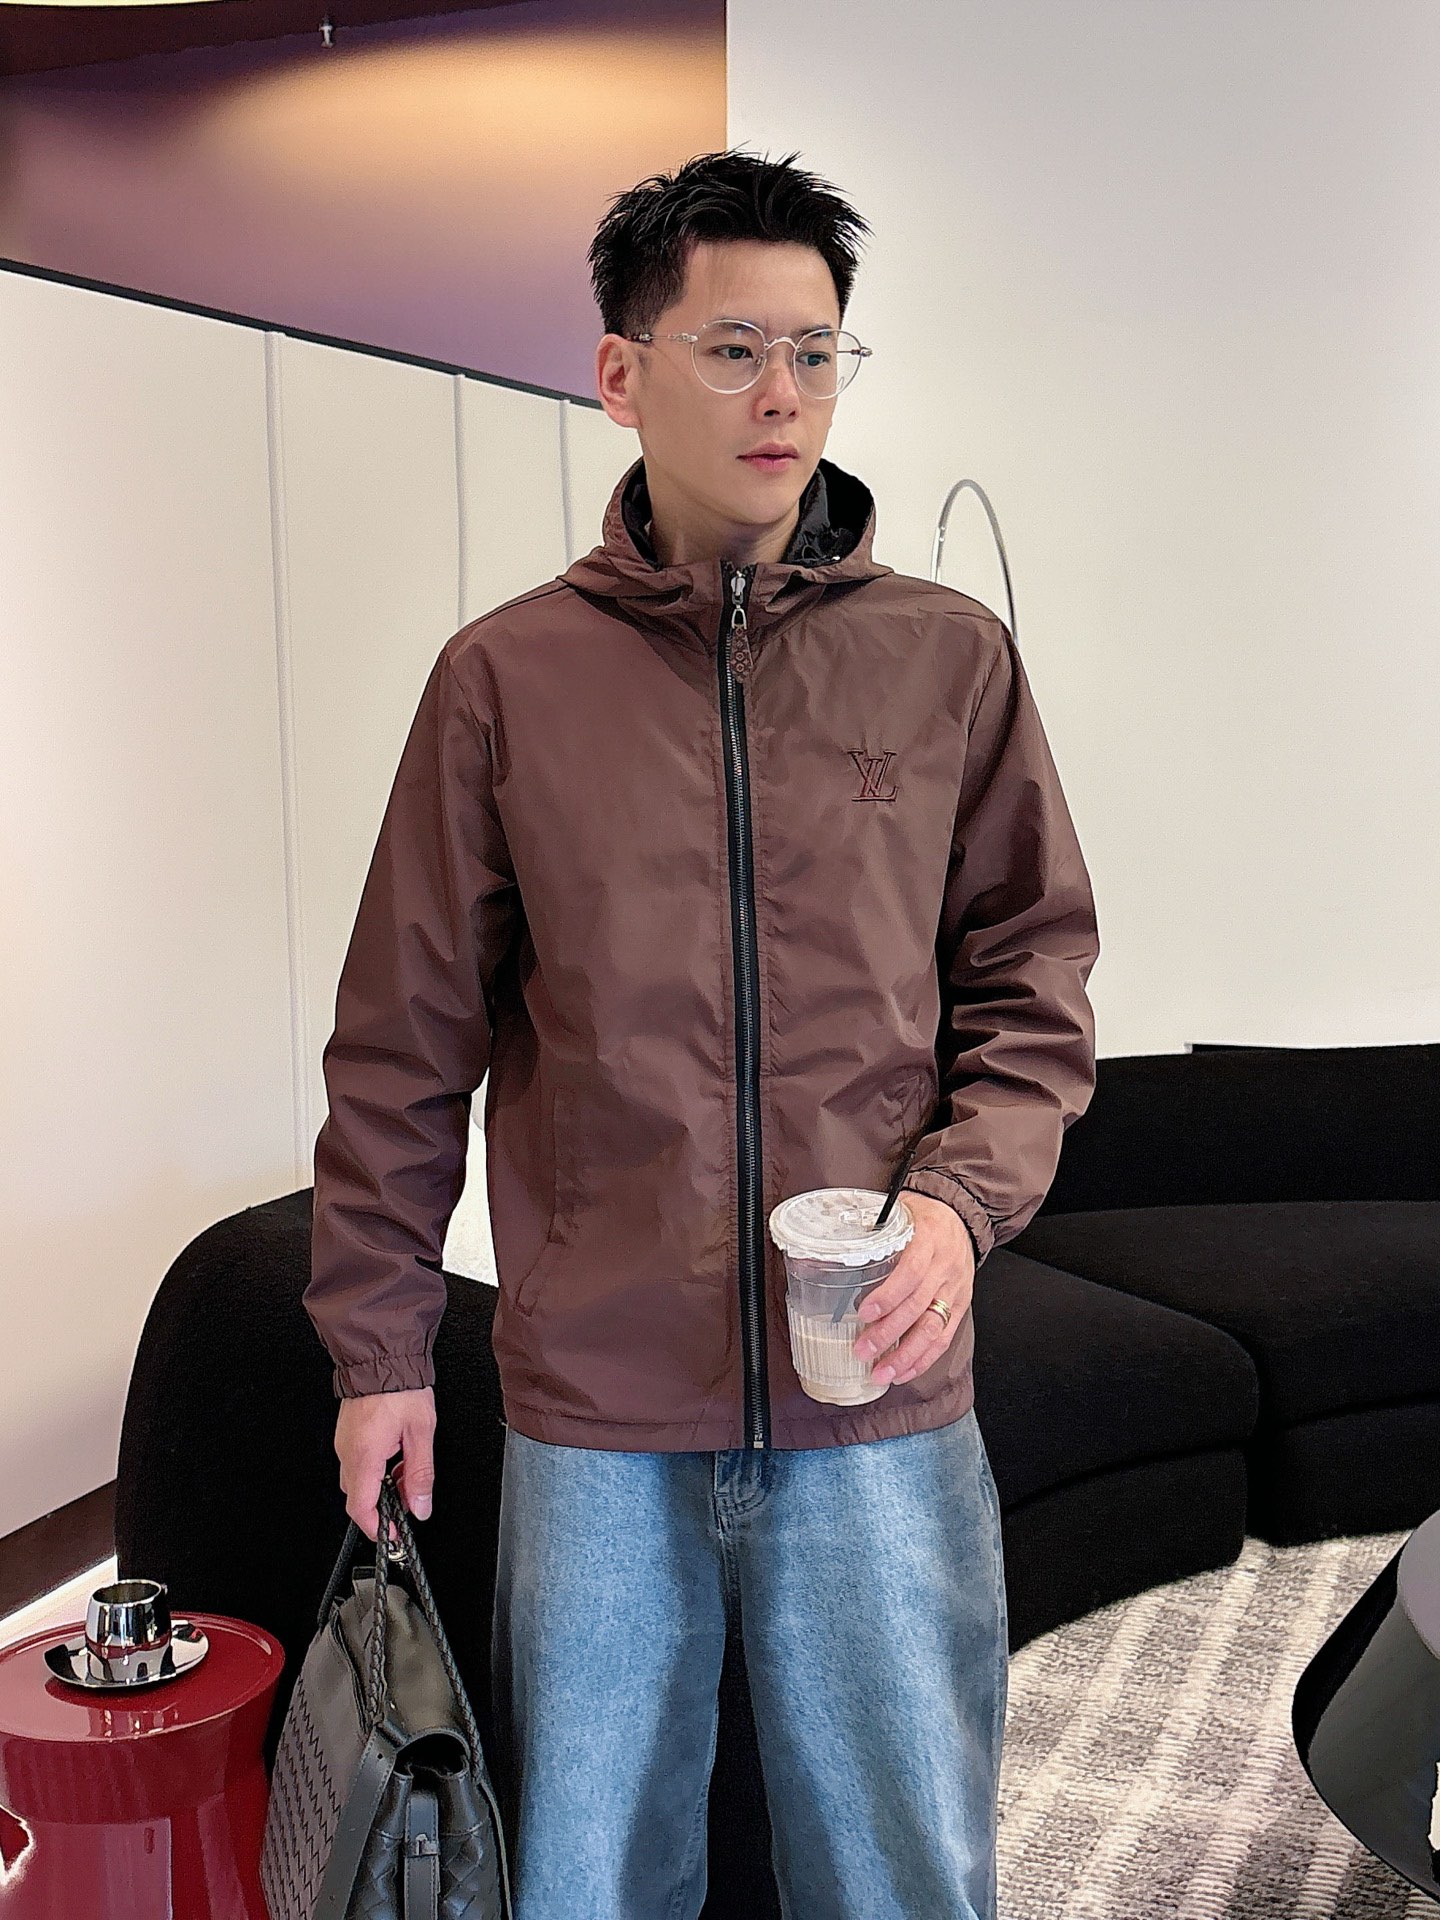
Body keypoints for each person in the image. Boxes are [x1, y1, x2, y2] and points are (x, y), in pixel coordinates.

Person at [304, 146, 1100, 1920]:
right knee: (590, 1879)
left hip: (878, 1390)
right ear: (622, 372)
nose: (784, 395)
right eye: (736, 348)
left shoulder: (949, 661)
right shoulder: (504, 682)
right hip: (599, 1414)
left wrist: (959, 1207)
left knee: (907, 1875)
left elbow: (1035, 981)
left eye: (818, 352)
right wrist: (379, 1349)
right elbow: (402, 1042)